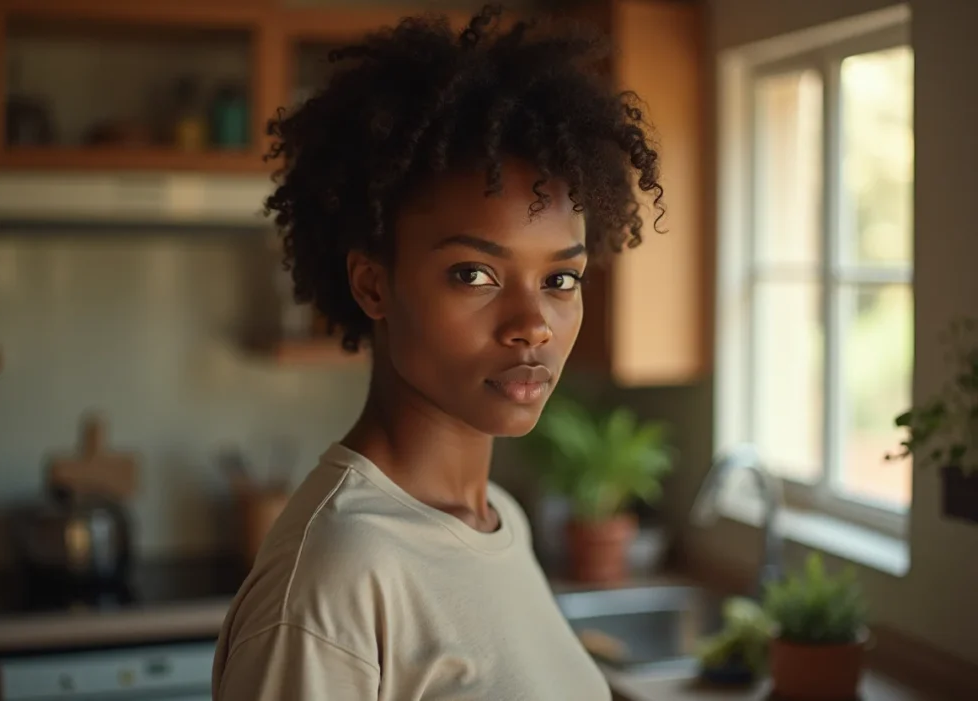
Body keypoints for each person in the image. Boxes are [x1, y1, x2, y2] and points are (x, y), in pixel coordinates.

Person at [212, 5, 664, 700]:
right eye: (474, 274)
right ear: (373, 284)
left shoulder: (499, 518)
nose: (533, 324)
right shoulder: (336, 576)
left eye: (560, 279)